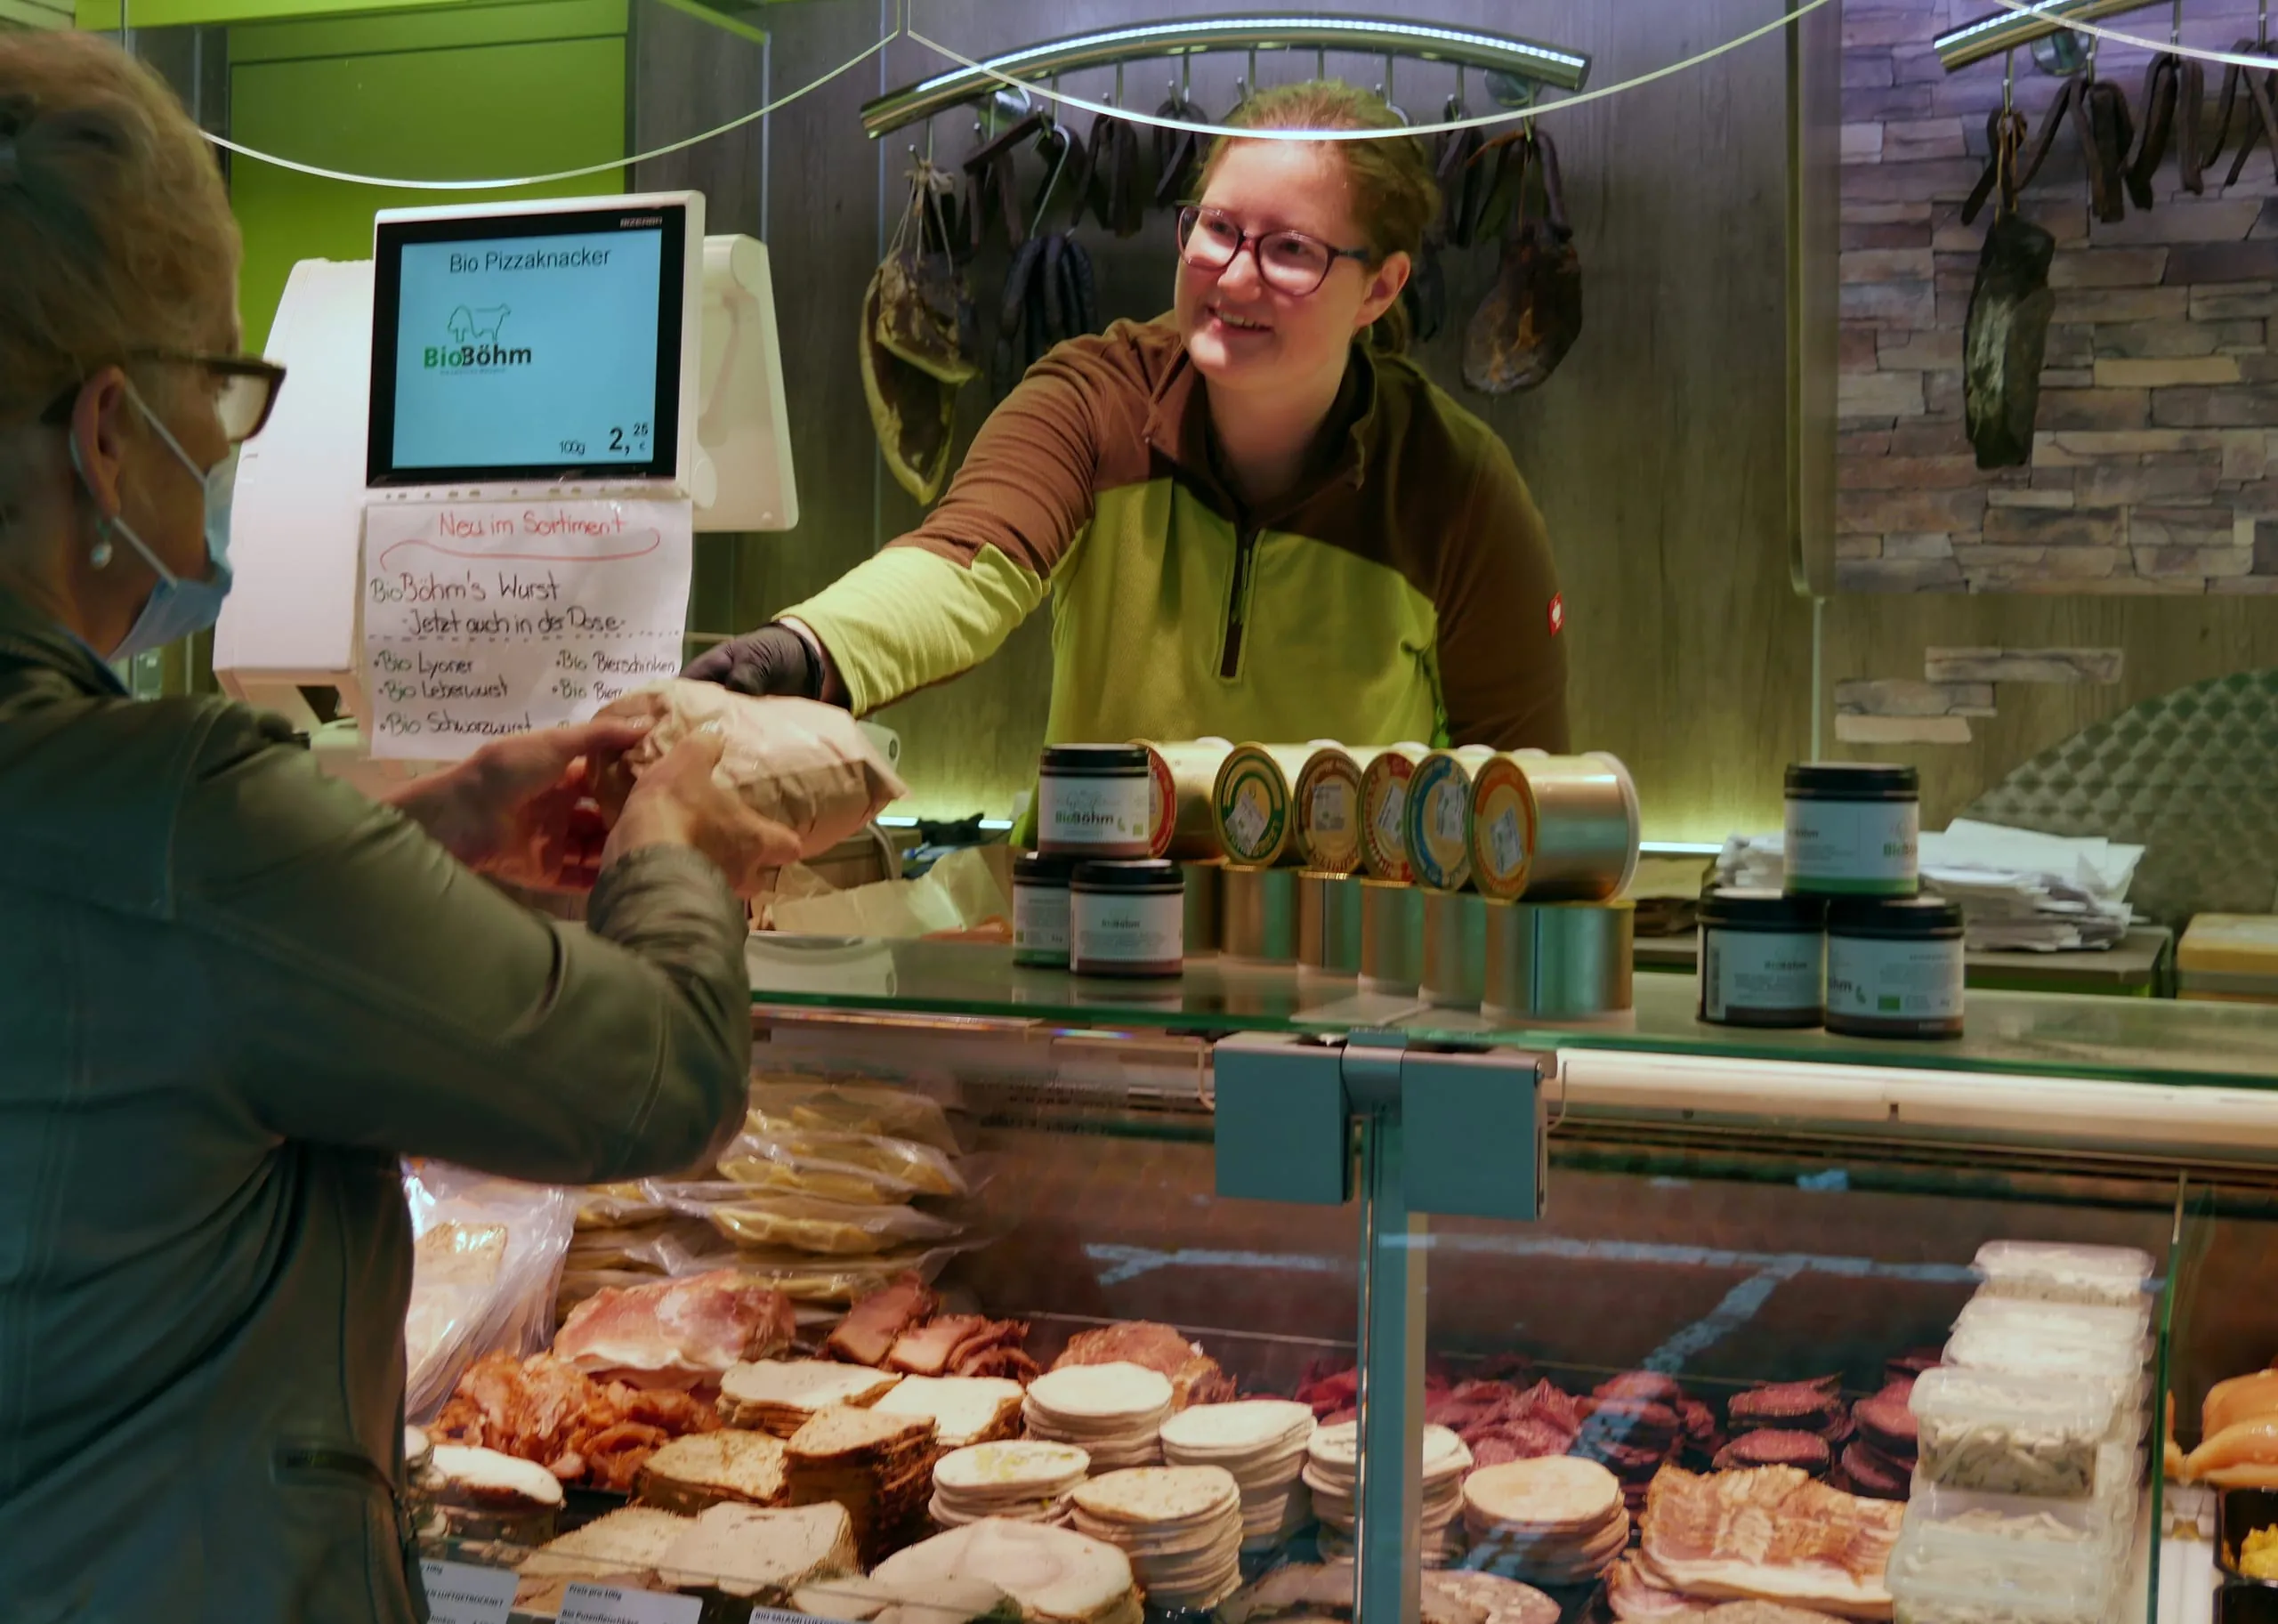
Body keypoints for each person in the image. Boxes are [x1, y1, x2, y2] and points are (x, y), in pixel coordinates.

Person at [0, 33, 796, 1622]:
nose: (231, 446)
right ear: (106, 433)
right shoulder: (180, 805)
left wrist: (414, 833)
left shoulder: (161, 823)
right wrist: (681, 835)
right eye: (221, 387)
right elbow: (662, 1079)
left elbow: (136, 987)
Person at [691, 79, 1569, 755]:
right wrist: (804, 649)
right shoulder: (1092, 397)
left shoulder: (1454, 485)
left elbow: (1521, 781)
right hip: (1090, 918)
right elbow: (961, 569)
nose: (1231, 278)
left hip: (1342, 956)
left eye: (1291, 249)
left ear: (1379, 287)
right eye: (1216, 229)